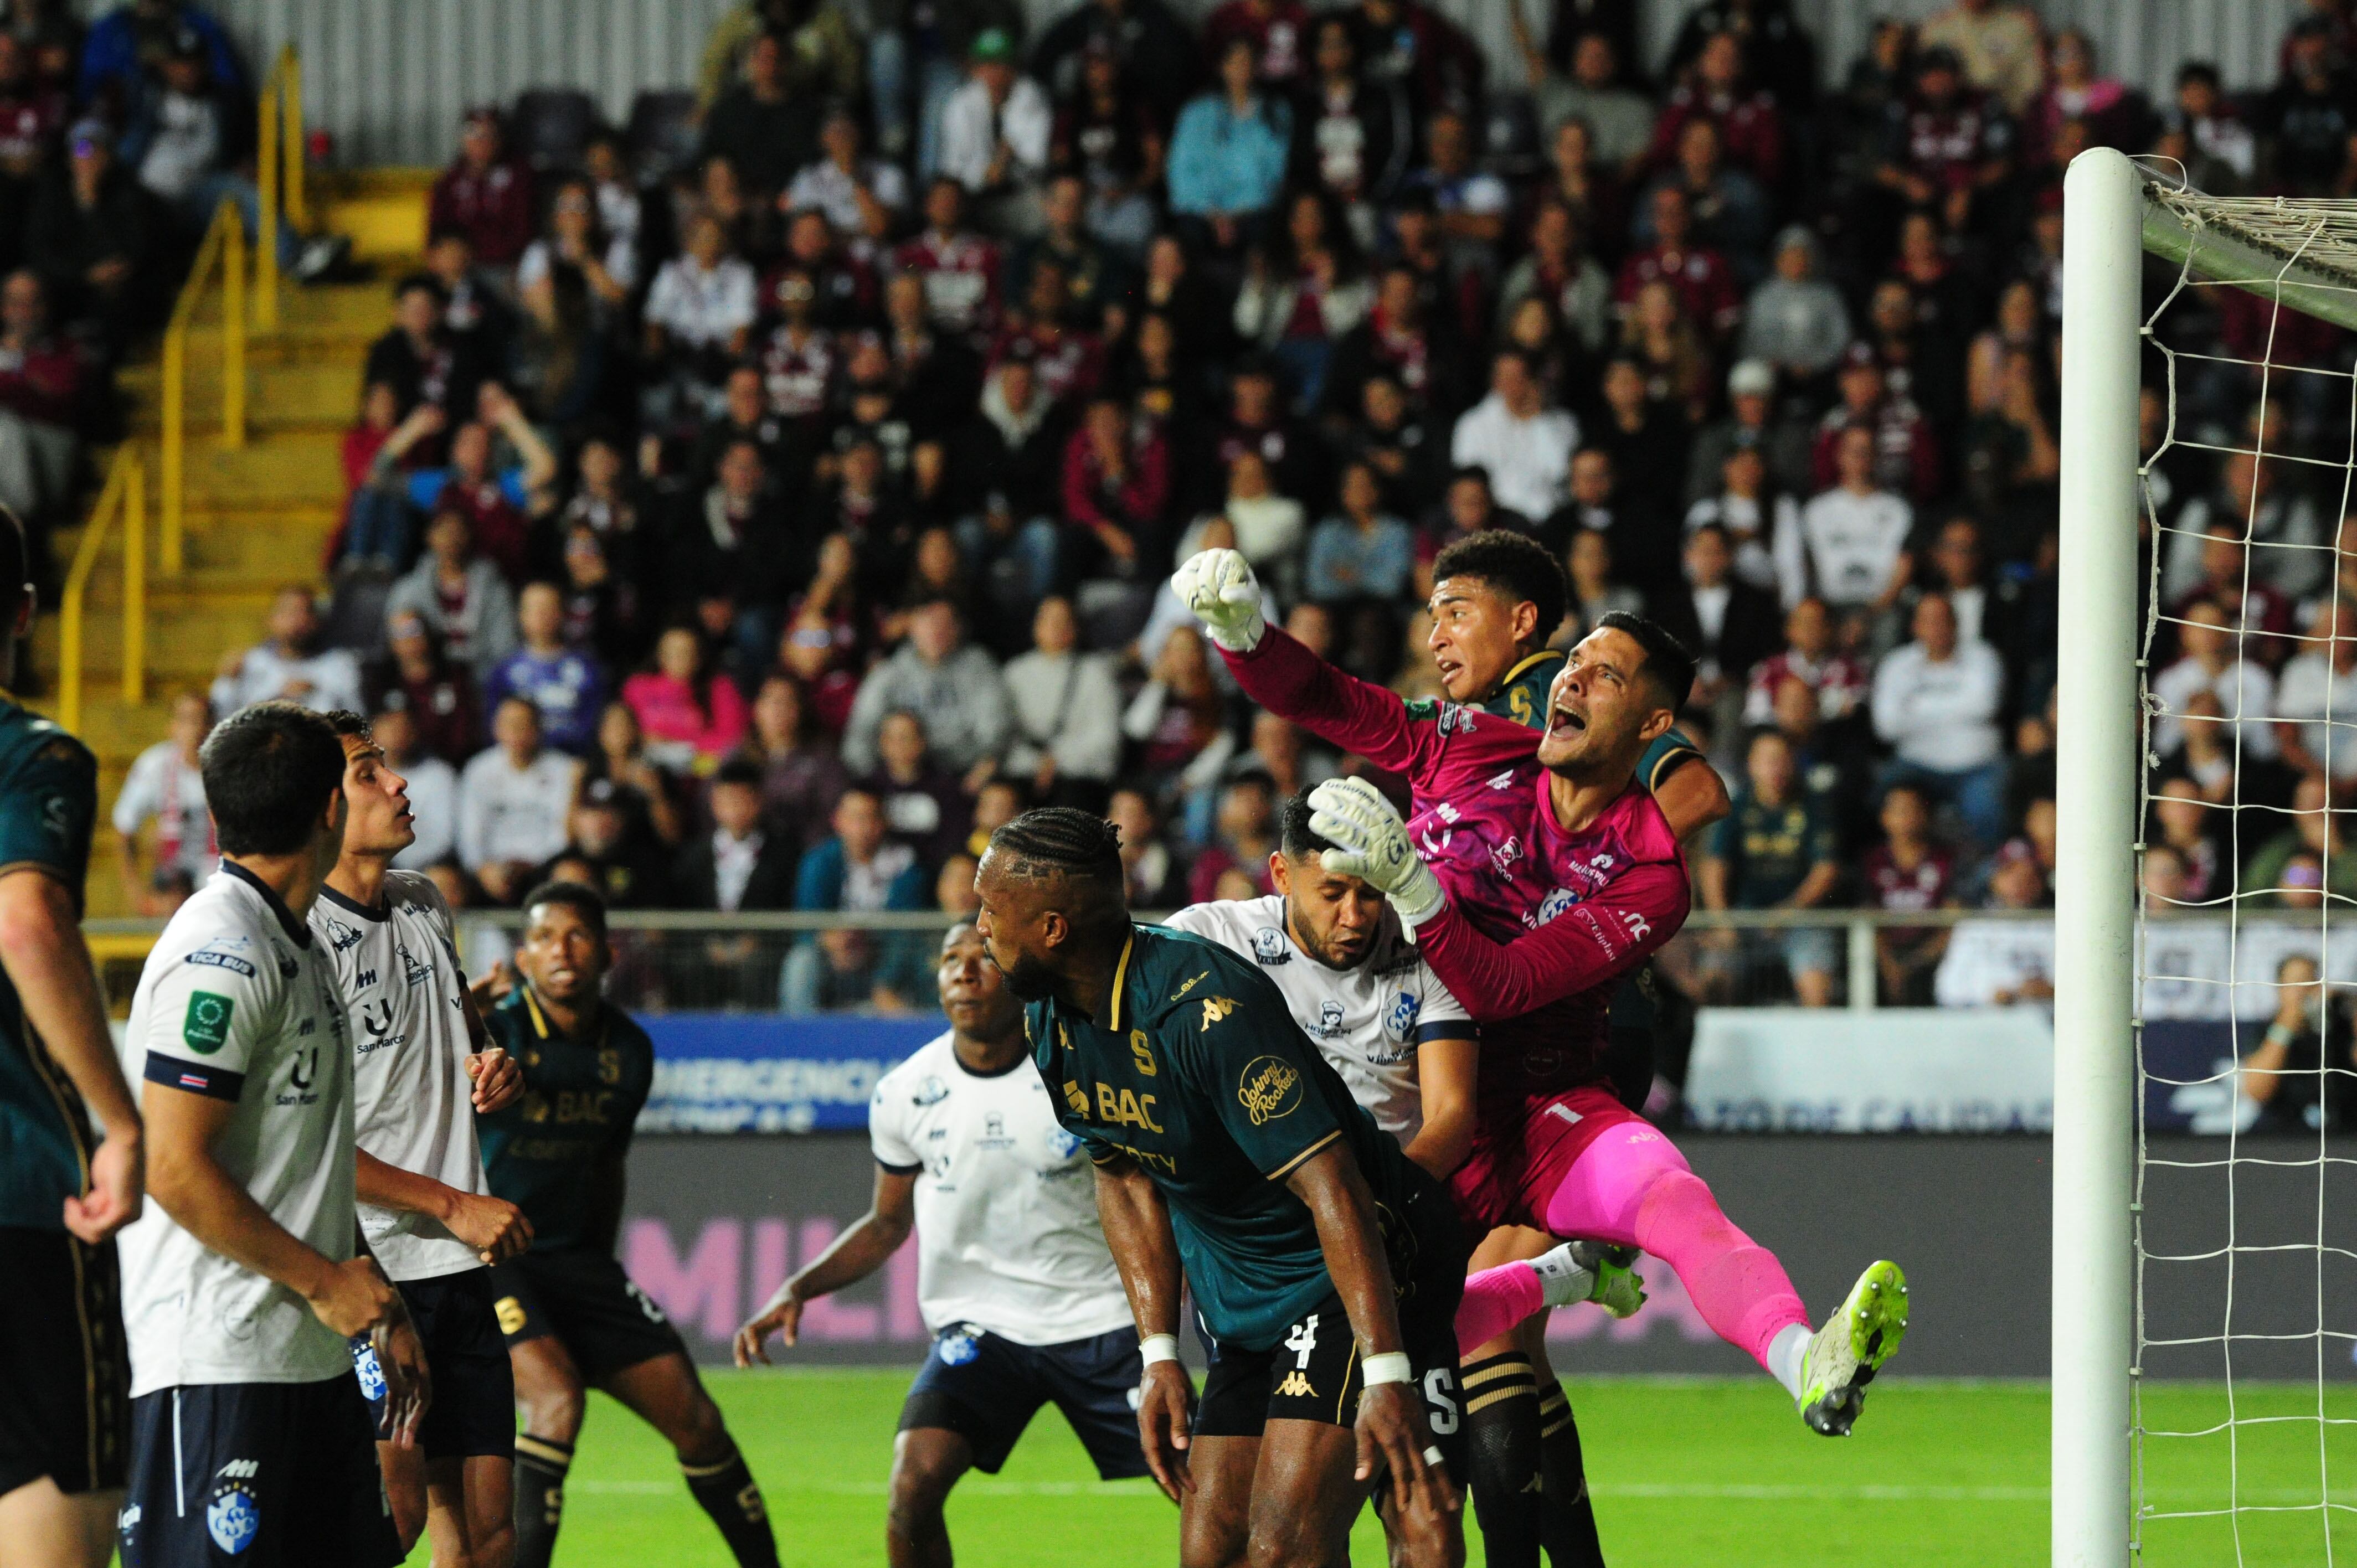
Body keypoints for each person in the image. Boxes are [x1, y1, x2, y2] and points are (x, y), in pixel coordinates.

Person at [1178, 546, 1910, 1437]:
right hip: (1405, 1097)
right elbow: (1328, 699)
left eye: (1605, 676)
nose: (1573, 680)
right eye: (1575, 664)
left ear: (1653, 724)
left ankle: (1807, 1361)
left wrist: (1414, 885)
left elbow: (1505, 985)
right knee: (1376, 1345)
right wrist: (1246, 637)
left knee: (1672, 1194)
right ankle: (1552, 1277)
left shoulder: (1651, 875)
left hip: (1537, 1107)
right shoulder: (1466, 743)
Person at [970, 807, 1470, 1567]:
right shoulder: (1048, 1016)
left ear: (1052, 929)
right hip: (1239, 1296)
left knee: (1290, 1547)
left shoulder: (1208, 1011)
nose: (977, 926)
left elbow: (1334, 1187)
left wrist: (1386, 1371)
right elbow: (1123, 1175)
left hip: (1348, 1267)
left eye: (990, 909)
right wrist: (1160, 1353)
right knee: (1216, 1554)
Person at [114, 700, 427, 1567]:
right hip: (217, 1361)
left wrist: (368, 1301)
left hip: (306, 1358)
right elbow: (173, 1168)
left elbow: (305, 1165)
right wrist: (327, 1284)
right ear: (332, 808)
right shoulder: (221, 950)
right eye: (364, 775)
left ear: (218, 822)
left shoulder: (295, 945)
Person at [735, 923, 1148, 1562]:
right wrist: (798, 1287)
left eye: (982, 958)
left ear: (1017, 975)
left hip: (1099, 1320)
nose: (964, 972)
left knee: (1203, 1482)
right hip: (981, 1327)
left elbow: (1144, 1196)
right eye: (950, 960)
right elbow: (885, 1224)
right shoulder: (906, 1091)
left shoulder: (1081, 1068)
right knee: (912, 1487)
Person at [474, 882, 779, 1568]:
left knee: (699, 1422)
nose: (562, 950)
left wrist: (598, 1266)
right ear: (523, 957)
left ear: (607, 953)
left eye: (577, 935)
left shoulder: (630, 1050)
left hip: (580, 1264)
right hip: (497, 1260)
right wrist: (466, 1010)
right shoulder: (500, 1033)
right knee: (555, 1402)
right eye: (546, 937)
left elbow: (608, 1161)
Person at [311, 711, 529, 1567]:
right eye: (370, 772)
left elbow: (468, 1037)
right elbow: (312, 1140)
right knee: (390, 1522)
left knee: (483, 1536)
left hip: (457, 1268)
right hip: (372, 1269)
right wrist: (455, 1204)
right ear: (323, 805)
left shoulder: (423, 903)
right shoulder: (303, 942)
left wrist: (493, 1066)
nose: (399, 784)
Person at [0, 502, 143, 1568]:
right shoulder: (32, 755)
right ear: (24, 613)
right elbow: (29, 921)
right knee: (58, 1486)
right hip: (23, 1194)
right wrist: (117, 1117)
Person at [457, 697, 581, 905]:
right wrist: (483, 868)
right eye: (510, 724)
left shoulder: (564, 769)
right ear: (496, 728)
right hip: (493, 870)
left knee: (571, 874)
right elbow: (471, 834)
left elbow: (562, 832)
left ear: (538, 728)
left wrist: (535, 866)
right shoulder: (479, 769)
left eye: (524, 724)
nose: (517, 731)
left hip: (545, 867)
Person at [111, 688, 213, 914]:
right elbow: (124, 827)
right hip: (172, 885)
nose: (195, 729)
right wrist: (137, 895)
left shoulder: (230, 768)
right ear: (172, 727)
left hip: (218, 878)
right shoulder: (154, 765)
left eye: (202, 720)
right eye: (187, 720)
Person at [483, 581, 606, 758]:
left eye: (548, 607)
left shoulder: (587, 669)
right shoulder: (504, 671)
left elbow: (593, 727)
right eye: (534, 608)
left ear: (563, 613)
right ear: (521, 615)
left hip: (572, 763)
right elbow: (493, 728)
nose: (541, 615)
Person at [210, 585, 366, 717]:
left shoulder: (340, 664)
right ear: (271, 620)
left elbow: (356, 720)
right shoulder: (249, 663)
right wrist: (228, 680)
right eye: (290, 612)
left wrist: (316, 692)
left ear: (317, 621)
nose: (298, 621)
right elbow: (222, 716)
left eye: (306, 612)